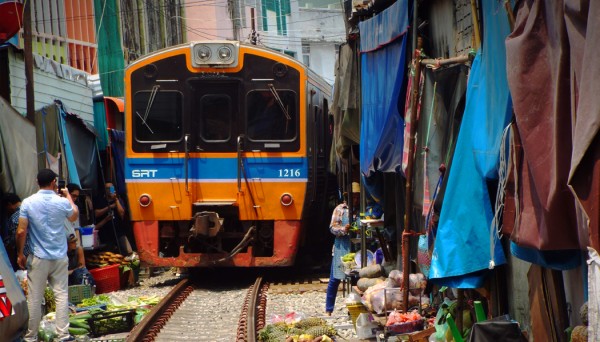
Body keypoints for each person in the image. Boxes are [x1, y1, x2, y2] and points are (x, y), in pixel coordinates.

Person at [16, 169, 79, 342]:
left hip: (38, 257)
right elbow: (74, 216)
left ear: (37, 182)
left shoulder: (27, 203)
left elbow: (21, 231)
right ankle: (63, 335)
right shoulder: (61, 202)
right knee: (61, 295)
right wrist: (68, 196)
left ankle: (31, 337)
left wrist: (20, 253)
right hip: (59, 256)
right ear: (53, 183)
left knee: (35, 298)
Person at [325, 181, 360, 316]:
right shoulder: (340, 209)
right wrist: (343, 229)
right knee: (335, 279)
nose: (356, 199)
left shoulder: (361, 210)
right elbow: (332, 227)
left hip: (355, 248)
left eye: (358, 197)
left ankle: (354, 309)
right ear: (348, 196)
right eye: (354, 197)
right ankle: (329, 309)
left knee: (355, 279)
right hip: (342, 247)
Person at [93, 182, 132, 255]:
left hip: (118, 231)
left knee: (128, 251)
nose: (109, 190)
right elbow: (96, 214)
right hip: (105, 231)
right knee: (108, 253)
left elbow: (122, 213)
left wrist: (116, 200)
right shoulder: (100, 199)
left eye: (111, 188)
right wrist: (109, 207)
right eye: (107, 188)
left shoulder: (118, 199)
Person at [2, 193, 23, 271]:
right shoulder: (32, 210)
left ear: (9, 204)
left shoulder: (14, 218)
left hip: (23, 254)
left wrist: (7, 245)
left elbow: (15, 238)